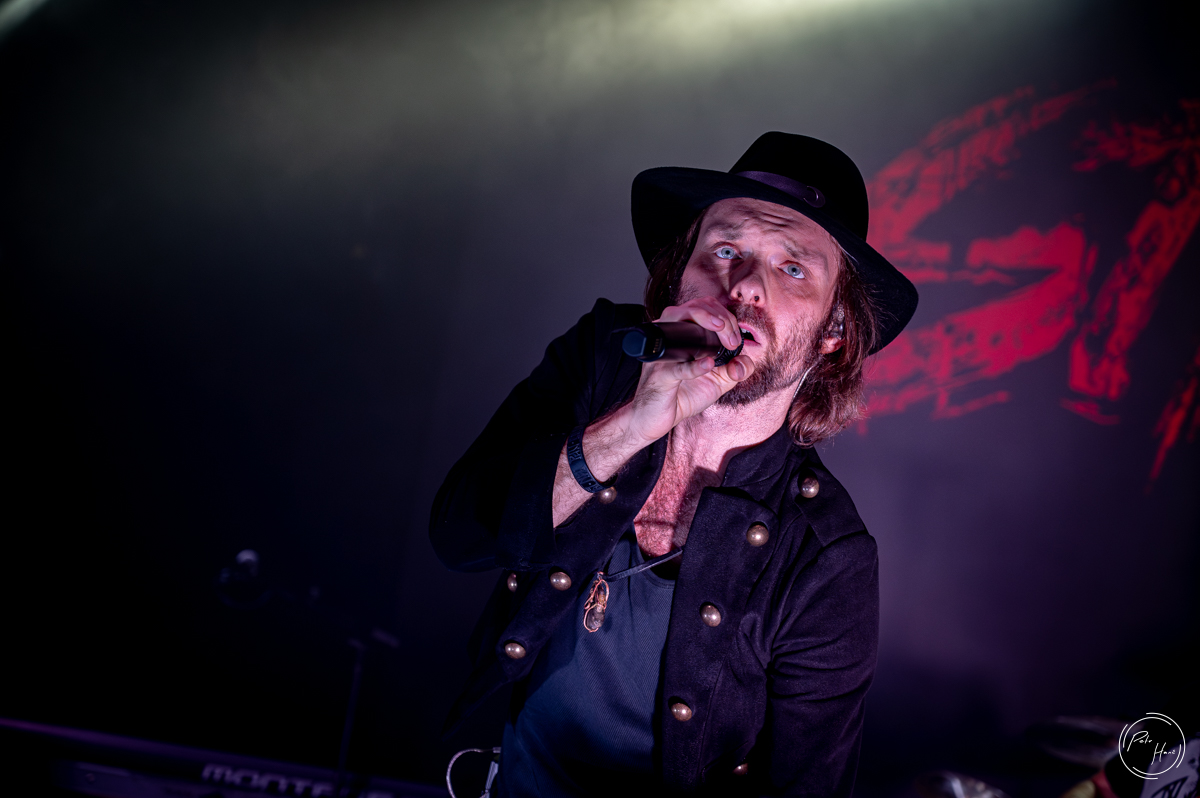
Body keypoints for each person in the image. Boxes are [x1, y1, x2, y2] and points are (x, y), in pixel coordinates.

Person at [429, 132, 919, 796]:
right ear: (679, 275)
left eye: (792, 269)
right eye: (726, 250)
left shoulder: (828, 555)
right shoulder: (604, 359)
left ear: (834, 331)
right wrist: (634, 423)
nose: (745, 286)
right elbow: (459, 536)